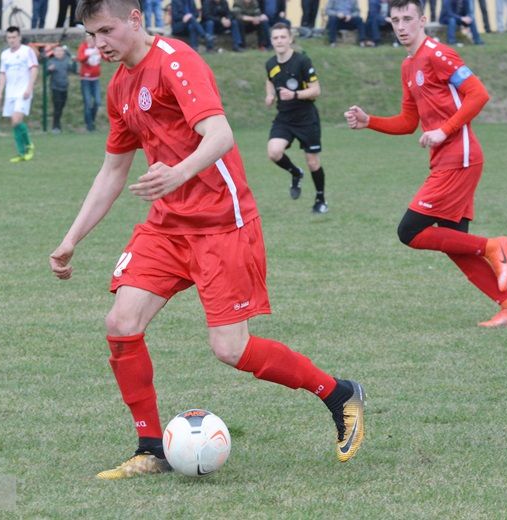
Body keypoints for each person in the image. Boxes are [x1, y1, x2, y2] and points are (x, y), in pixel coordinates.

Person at [51, 0, 366, 479]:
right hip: (167, 226)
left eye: (106, 31)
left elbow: (219, 134)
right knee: (121, 322)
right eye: (92, 35)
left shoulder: (177, 61)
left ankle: (338, 393)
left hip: (223, 223)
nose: (99, 45)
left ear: (135, 18)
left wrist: (176, 172)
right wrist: (71, 238)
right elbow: (114, 168)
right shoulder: (119, 87)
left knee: (230, 350)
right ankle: (151, 448)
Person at [345, 0, 507, 327]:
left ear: (423, 20)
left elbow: (479, 94)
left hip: (460, 158)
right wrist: (368, 120)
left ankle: (493, 245)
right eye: (395, 20)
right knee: (454, 244)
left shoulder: (438, 54)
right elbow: (407, 122)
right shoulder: (408, 65)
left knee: (410, 231)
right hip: (447, 160)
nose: (401, 26)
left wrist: (444, 131)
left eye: (407, 19)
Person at [265, 23, 329, 213]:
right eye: (275, 38)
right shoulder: (270, 64)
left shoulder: (302, 61)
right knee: (274, 152)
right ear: (271, 41)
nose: (279, 41)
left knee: (313, 162)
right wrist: (269, 95)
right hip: (284, 118)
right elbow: (269, 80)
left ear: (290, 39)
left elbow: (316, 90)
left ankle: (320, 200)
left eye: (283, 37)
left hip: (306, 118)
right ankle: (296, 172)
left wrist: (294, 95)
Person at [0, 26, 38, 162]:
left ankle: (28, 147)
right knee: (14, 123)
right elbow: (2, 74)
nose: (11, 40)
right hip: (10, 93)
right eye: (9, 38)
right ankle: (22, 153)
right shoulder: (5, 54)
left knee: (16, 119)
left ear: (19, 37)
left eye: (14, 37)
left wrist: (29, 88)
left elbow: (34, 69)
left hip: (23, 92)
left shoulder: (27, 51)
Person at [77, 33, 102, 131]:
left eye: (92, 38)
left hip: (96, 79)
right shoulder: (83, 47)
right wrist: (90, 53)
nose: (90, 40)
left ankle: (91, 119)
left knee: (97, 101)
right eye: (88, 38)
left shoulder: (98, 47)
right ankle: (89, 125)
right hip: (85, 79)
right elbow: (81, 58)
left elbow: (104, 56)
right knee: (87, 102)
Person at [48, 46, 73, 133]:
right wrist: (49, 70)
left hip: (64, 87)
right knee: (57, 107)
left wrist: (72, 59)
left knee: (61, 106)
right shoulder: (51, 61)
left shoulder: (67, 60)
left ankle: (57, 124)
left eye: (61, 51)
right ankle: (55, 126)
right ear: (54, 53)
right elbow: (46, 73)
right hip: (55, 88)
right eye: (57, 51)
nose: (59, 53)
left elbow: (73, 69)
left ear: (63, 52)